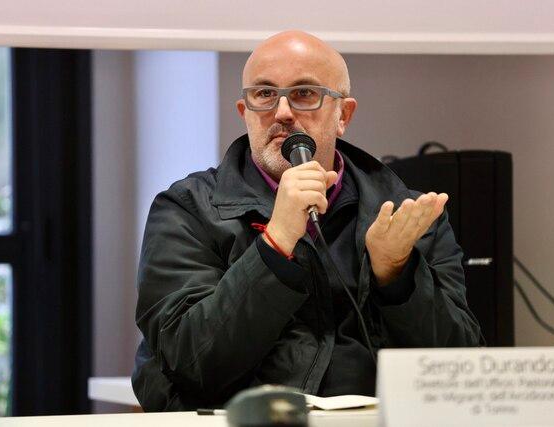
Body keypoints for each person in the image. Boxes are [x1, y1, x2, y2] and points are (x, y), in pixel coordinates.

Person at [132, 30, 481, 412]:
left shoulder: (404, 215)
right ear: (245, 112)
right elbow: (188, 363)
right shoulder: (188, 209)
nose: (282, 112)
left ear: (343, 115)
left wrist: (397, 275)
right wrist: (275, 245)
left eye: (303, 93)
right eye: (264, 94)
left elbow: (460, 370)